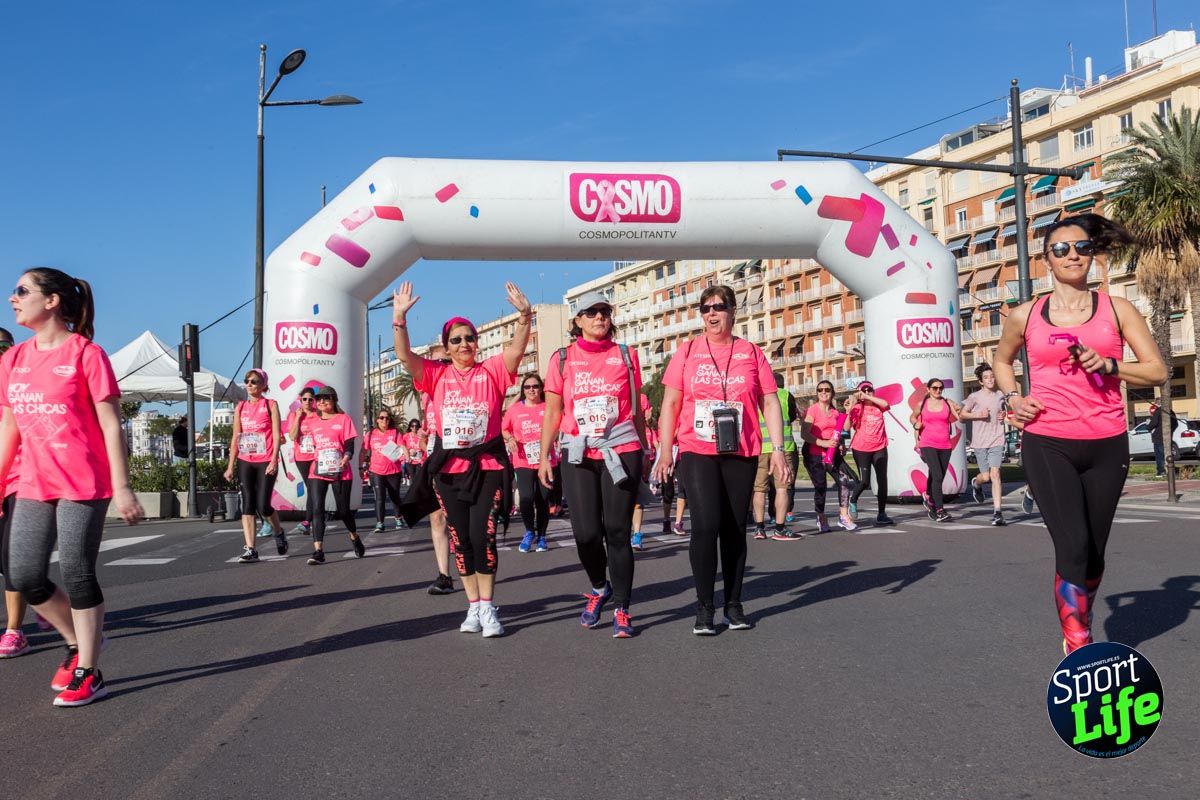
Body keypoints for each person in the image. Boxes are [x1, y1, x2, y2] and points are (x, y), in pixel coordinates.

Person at [994, 213, 1166, 654]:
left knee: (1093, 554)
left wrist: (1110, 365)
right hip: (1048, 440)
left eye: (1082, 247)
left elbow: (1157, 371)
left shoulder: (1117, 309)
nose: (1073, 255)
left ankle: (1080, 615)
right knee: (1072, 545)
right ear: (1046, 260)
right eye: (1061, 249)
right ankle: (1078, 644)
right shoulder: (1025, 315)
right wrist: (1013, 398)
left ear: (1092, 255)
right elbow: (1001, 362)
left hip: (1108, 442)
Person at [0, 267, 144, 706]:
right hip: (33, 482)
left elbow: (110, 423)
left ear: (52, 301)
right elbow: (10, 425)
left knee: (78, 573)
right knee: (24, 575)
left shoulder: (86, 354)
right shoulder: (12, 360)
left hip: (83, 480)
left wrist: (122, 487)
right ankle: (75, 642)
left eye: (22, 290)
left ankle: (89, 670)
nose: (12, 297)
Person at [395, 281, 530, 638]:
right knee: (460, 540)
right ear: (446, 346)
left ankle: (488, 607)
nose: (464, 344)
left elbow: (516, 351)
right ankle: (472, 607)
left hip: (487, 467)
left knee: (482, 536)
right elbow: (405, 357)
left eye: (469, 337)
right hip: (448, 471)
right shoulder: (436, 375)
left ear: (477, 341)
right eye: (456, 339)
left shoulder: (494, 371)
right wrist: (399, 319)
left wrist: (525, 317)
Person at [654, 285, 790, 635]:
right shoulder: (686, 352)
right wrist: (665, 450)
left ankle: (733, 603)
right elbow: (669, 404)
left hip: (740, 450)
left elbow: (770, 403)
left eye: (718, 307)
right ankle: (704, 607)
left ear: (733, 311)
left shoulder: (751, 353)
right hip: (697, 449)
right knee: (705, 525)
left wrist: (778, 449)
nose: (711, 314)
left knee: (733, 528)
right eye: (705, 309)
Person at [539, 291, 646, 639]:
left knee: (617, 532)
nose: (600, 317)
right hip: (577, 452)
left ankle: (623, 608)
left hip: (621, 448)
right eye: (591, 312)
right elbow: (553, 412)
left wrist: (644, 450)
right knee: (585, 533)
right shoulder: (562, 359)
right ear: (578, 320)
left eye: (604, 311)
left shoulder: (626, 355)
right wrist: (544, 456)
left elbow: (637, 409)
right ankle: (601, 587)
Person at [293, 385, 365, 564]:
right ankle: (318, 551)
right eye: (320, 399)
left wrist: (346, 457)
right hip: (318, 470)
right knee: (317, 508)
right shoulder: (312, 421)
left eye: (327, 398)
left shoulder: (343, 419)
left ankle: (354, 537)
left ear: (334, 400)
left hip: (340, 469)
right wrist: (297, 417)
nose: (322, 401)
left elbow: (349, 446)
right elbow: (296, 437)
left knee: (343, 511)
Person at [224, 369, 287, 561]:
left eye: (254, 381)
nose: (250, 385)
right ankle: (251, 548)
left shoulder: (270, 405)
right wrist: (230, 465)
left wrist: (274, 459)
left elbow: (277, 435)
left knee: (264, 505)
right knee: (248, 504)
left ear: (263, 385)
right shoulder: (241, 407)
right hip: (245, 460)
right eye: (247, 381)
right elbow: (236, 437)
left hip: (265, 459)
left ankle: (278, 532)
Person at [502, 374, 553, 553]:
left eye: (535, 386)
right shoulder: (515, 409)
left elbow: (557, 426)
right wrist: (510, 438)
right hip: (522, 460)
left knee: (543, 499)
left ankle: (542, 537)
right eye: (527, 387)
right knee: (526, 498)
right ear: (523, 390)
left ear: (541, 388)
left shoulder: (548, 407)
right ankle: (529, 531)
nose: (531, 389)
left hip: (545, 460)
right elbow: (504, 428)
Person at [801, 380, 858, 532]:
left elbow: (844, 429)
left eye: (827, 389)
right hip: (814, 454)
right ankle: (821, 516)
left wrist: (848, 411)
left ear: (832, 392)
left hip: (832, 454)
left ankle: (844, 516)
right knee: (821, 487)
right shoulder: (812, 410)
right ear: (817, 393)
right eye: (820, 390)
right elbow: (804, 433)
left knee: (844, 481)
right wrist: (822, 443)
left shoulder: (834, 412)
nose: (823, 392)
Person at [752, 374, 800, 540]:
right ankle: (780, 528)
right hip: (782, 447)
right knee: (782, 488)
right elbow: (793, 416)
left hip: (760, 447)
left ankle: (759, 528)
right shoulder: (785, 395)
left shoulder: (755, 394)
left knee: (759, 489)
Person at [960, 363, 1009, 525]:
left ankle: (997, 513)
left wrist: (1003, 415)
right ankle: (976, 483)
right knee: (986, 476)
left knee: (995, 475)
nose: (990, 380)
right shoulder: (974, 397)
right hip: (980, 442)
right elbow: (962, 415)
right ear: (981, 381)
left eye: (991, 376)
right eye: (986, 378)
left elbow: (1003, 411)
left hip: (997, 438)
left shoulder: (1000, 395)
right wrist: (977, 414)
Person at [910, 377, 961, 523]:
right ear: (928, 389)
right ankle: (940, 510)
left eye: (940, 388)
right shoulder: (922, 404)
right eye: (935, 388)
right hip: (927, 443)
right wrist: (916, 424)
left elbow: (960, 417)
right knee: (938, 475)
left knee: (937, 475)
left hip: (945, 445)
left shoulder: (947, 403)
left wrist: (963, 411)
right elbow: (912, 417)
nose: (938, 390)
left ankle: (929, 498)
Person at [844, 380, 895, 525]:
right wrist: (849, 410)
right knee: (865, 481)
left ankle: (882, 513)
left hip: (880, 447)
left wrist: (868, 397)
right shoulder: (858, 408)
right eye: (863, 391)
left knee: (882, 480)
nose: (867, 393)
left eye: (869, 390)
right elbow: (847, 427)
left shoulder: (879, 405)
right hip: (861, 449)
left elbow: (886, 404)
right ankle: (853, 500)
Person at [363, 408, 407, 532]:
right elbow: (364, 450)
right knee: (379, 498)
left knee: (394, 496)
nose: (384, 420)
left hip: (394, 471)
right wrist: (360, 466)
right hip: (376, 471)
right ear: (377, 420)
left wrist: (407, 454)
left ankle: (398, 518)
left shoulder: (395, 433)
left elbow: (402, 446)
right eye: (382, 418)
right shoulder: (371, 434)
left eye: (387, 418)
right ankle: (380, 523)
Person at [284, 387, 318, 536]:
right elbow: (292, 436)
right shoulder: (294, 415)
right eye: (305, 399)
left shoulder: (318, 415)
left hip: (316, 457)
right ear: (301, 400)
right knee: (311, 487)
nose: (307, 402)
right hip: (302, 458)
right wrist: (298, 417)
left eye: (310, 399)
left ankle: (308, 521)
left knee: (313, 487)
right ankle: (311, 520)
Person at [1146, 402, 1177, 477]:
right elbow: (1176, 424)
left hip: (1158, 437)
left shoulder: (1158, 411)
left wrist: (1148, 426)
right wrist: (1171, 431)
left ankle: (1161, 471)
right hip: (1168, 437)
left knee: (1159, 455)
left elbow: (1153, 424)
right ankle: (1170, 470)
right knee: (1168, 454)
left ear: (1157, 403)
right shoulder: (1171, 412)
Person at [401, 418, 424, 486]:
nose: (414, 427)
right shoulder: (406, 436)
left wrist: (423, 459)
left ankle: (418, 493)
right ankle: (414, 493)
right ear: (410, 427)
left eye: (416, 426)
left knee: (419, 478)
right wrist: (408, 453)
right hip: (410, 461)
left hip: (419, 460)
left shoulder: (421, 436)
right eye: (412, 426)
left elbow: (425, 447)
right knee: (413, 479)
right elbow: (402, 446)